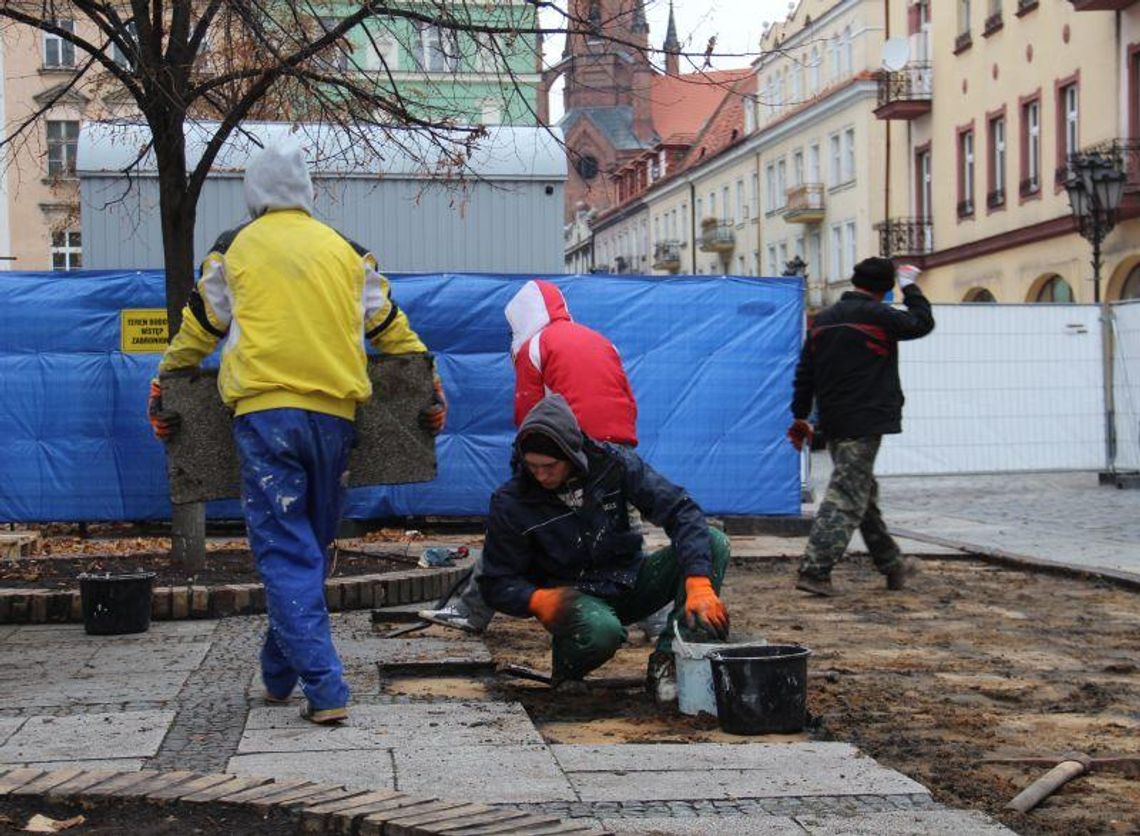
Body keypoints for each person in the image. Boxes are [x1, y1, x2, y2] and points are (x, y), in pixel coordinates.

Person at [147, 140, 446, 725]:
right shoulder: (345, 251)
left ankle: (326, 687)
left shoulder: (233, 249)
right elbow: (392, 330)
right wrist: (429, 385)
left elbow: (202, 327)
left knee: (286, 551)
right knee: (307, 545)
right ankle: (279, 674)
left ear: (253, 194)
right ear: (309, 191)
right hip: (336, 419)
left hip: (265, 416)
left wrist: (165, 377)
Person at [419, 279, 668, 640]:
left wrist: (524, 467)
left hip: (571, 448)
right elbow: (625, 396)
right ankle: (658, 622)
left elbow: (531, 415)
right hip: (617, 449)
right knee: (624, 534)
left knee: (513, 527)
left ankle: (470, 611)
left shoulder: (535, 346)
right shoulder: (600, 340)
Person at [478, 394, 730, 702]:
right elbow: (495, 581)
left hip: (628, 581)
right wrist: (534, 599)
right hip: (574, 599)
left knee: (713, 542)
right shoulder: (512, 501)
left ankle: (670, 662)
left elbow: (681, 511)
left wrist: (698, 582)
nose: (541, 475)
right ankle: (568, 670)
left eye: (549, 466)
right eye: (532, 467)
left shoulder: (614, 465)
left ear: (572, 454)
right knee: (601, 631)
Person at [788, 258, 934, 596]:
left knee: (861, 492)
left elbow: (804, 372)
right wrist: (910, 285)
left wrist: (800, 414)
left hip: (834, 420)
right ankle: (815, 570)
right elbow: (921, 323)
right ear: (884, 289)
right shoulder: (879, 316)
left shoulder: (823, 321)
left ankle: (892, 564)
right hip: (866, 418)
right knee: (846, 496)